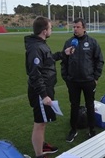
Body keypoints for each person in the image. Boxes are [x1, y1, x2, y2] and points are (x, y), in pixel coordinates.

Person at [24, 16, 73, 158]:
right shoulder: (35, 47)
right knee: (40, 123)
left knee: (43, 121)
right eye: (50, 28)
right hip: (41, 91)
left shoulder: (40, 44)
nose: (51, 29)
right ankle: (39, 155)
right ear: (44, 31)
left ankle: (42, 144)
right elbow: (34, 74)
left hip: (46, 88)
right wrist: (44, 95)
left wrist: (64, 54)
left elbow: (48, 58)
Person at [61, 18, 104, 142]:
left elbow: (99, 60)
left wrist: (95, 77)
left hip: (88, 81)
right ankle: (73, 130)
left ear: (84, 28)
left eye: (78, 27)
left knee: (90, 105)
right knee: (74, 106)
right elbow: (64, 62)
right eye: (74, 27)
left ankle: (91, 130)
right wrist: (66, 78)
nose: (75, 29)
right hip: (73, 81)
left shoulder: (92, 42)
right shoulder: (69, 42)